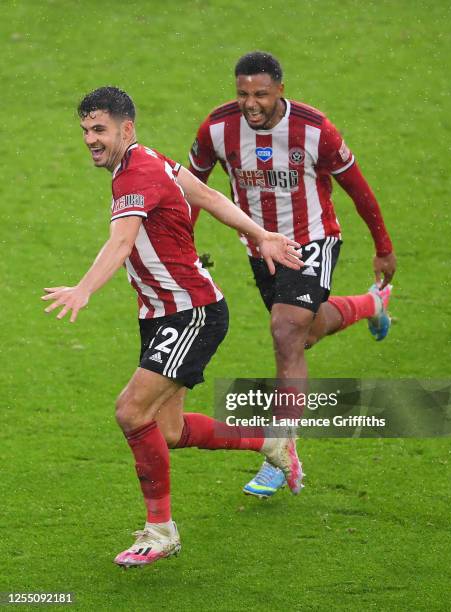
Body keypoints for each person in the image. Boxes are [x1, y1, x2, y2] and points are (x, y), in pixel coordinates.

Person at [42, 87, 305, 568]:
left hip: (191, 314)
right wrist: (260, 233)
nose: (90, 140)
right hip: (165, 315)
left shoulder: (135, 174)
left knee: (130, 412)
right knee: (170, 430)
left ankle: (160, 530)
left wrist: (83, 289)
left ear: (126, 128)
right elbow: (205, 194)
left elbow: (122, 244)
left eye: (99, 130)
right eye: (84, 131)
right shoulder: (147, 160)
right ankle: (271, 441)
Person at [187, 51, 397, 498]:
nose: (250, 103)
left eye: (260, 94)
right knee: (304, 332)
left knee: (286, 330)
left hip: (311, 239)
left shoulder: (315, 130)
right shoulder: (216, 130)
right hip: (260, 246)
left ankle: (282, 451)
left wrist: (383, 247)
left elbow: (358, 189)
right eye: (242, 93)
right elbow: (192, 190)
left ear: (281, 89)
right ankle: (373, 303)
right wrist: (183, 246)